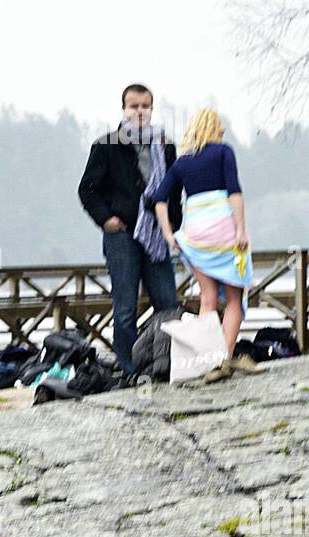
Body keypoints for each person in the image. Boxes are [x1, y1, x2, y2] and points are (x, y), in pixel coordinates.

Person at [78, 84, 183, 377]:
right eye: (134, 106)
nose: (139, 112)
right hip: (122, 235)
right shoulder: (107, 145)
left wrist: (173, 222)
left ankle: (167, 364)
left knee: (168, 303)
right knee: (125, 308)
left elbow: (175, 190)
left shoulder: (165, 145)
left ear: (152, 108)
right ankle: (130, 369)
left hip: (156, 234)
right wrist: (106, 219)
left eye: (145, 106)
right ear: (123, 109)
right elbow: (88, 189)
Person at [151, 108, 257, 382]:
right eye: (220, 125)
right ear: (211, 126)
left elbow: (159, 199)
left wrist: (168, 233)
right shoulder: (223, 152)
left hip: (195, 233)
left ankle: (204, 359)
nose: (223, 129)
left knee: (207, 299)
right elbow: (234, 191)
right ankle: (222, 359)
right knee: (234, 299)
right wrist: (242, 230)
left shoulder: (182, 163)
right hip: (223, 232)